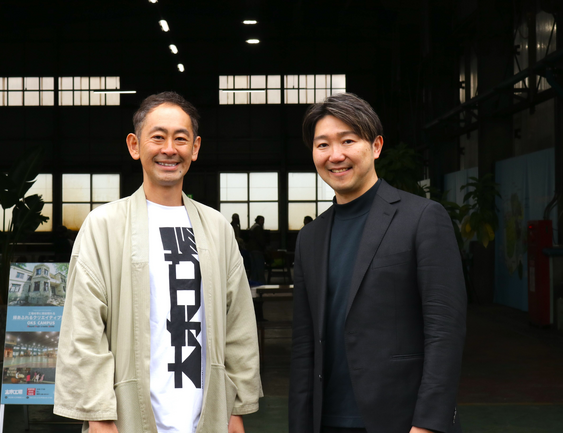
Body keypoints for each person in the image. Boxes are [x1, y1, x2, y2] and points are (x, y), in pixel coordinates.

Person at [54, 92, 262, 433]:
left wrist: (237, 407)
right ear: (135, 145)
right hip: (127, 416)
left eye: (180, 138)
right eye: (158, 137)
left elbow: (238, 323)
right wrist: (98, 415)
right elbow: (83, 329)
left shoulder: (217, 228)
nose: (169, 149)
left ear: (195, 148)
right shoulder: (104, 225)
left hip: (208, 415)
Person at [288, 93, 467, 433]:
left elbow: (445, 330)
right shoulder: (310, 238)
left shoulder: (422, 218)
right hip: (327, 422)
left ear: (376, 146)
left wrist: (428, 424)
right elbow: (304, 347)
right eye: (323, 144)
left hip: (401, 421)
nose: (335, 155)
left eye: (348, 141)